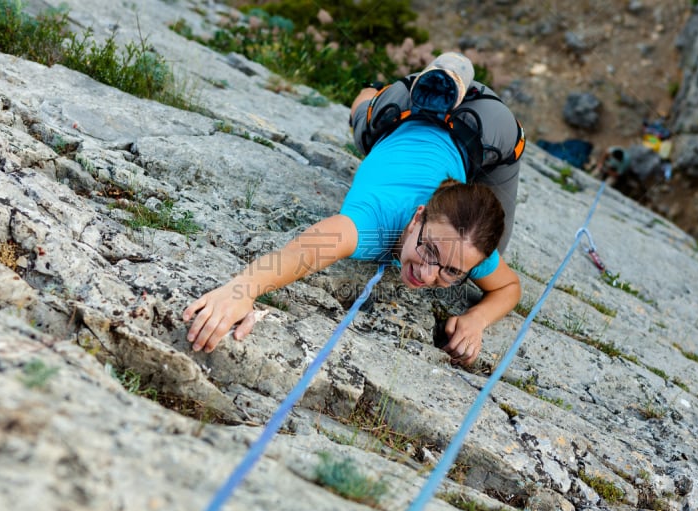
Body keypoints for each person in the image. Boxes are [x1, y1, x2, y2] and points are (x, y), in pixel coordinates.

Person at [183, 53, 523, 367]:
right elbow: (312, 247)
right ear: (418, 216)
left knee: (492, 235)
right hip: (404, 110)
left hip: (490, 130)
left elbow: (509, 288)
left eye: (450, 271)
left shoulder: (466, 243)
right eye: (428, 249)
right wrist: (242, 290)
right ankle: (379, 90)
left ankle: (453, 91)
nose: (426, 274)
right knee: (365, 119)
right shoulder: (376, 219)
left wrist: (477, 319)